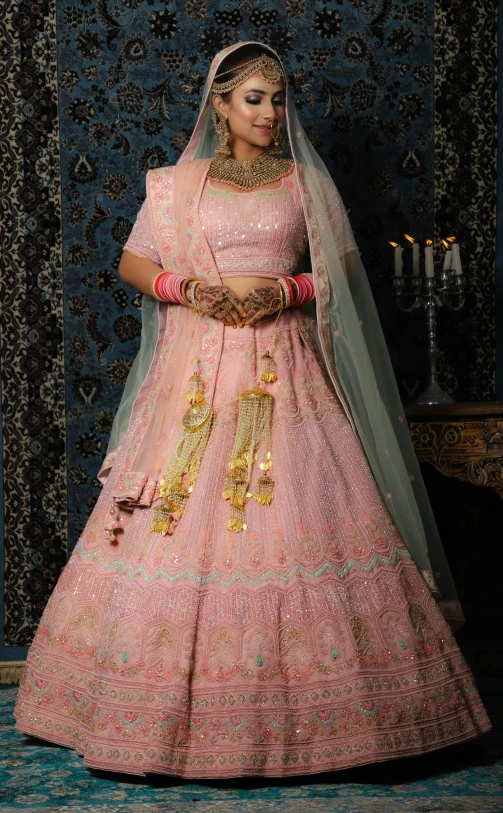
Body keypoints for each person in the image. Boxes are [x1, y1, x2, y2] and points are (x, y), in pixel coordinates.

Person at [14, 41, 490, 779]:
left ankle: (342, 721)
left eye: (277, 99)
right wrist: (190, 290)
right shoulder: (177, 185)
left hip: (284, 374)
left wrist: (284, 292)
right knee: (177, 521)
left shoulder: (305, 185)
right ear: (220, 104)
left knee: (300, 513)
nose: (269, 113)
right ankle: (145, 713)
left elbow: (339, 272)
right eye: (253, 99)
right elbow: (134, 263)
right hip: (197, 374)